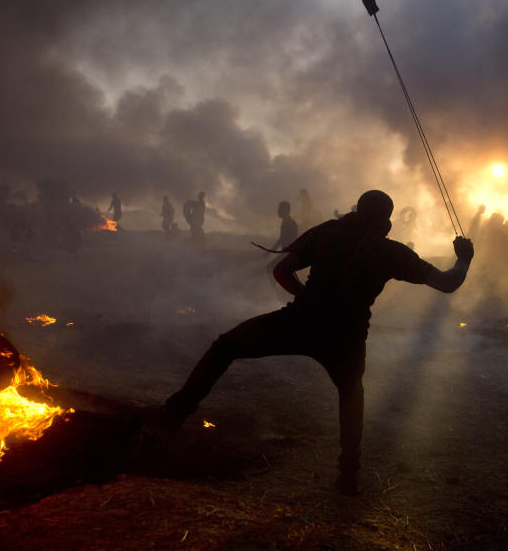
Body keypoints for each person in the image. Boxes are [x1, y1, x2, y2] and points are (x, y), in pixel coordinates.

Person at [159, 190, 474, 494]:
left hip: (301, 320)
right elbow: (448, 283)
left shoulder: (330, 233)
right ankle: (349, 475)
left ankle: (173, 415)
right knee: (351, 393)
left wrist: (306, 298)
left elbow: (281, 270)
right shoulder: (390, 252)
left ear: (357, 208)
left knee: (225, 347)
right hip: (346, 336)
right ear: (386, 218)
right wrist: (464, 259)